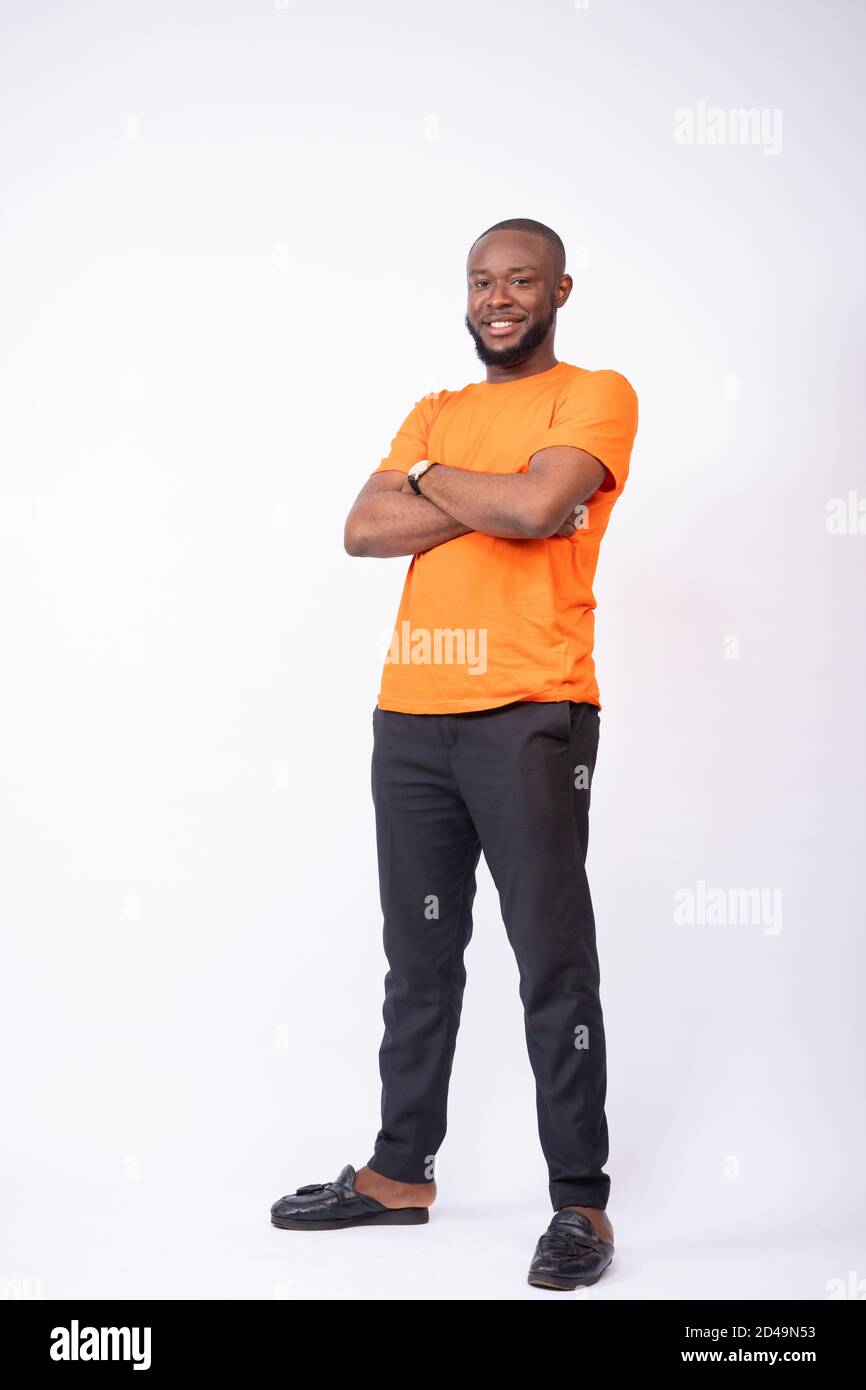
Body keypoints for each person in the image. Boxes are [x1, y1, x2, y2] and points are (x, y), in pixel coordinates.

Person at [270, 217, 638, 1291]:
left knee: (551, 963)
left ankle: (580, 1202)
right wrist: (479, 486)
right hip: (411, 713)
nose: (497, 297)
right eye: (481, 281)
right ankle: (398, 1173)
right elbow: (362, 529)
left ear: (559, 289)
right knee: (417, 960)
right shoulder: (435, 410)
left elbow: (540, 504)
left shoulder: (593, 394)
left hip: (530, 713)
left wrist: (434, 484)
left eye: (519, 279)